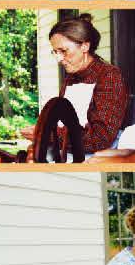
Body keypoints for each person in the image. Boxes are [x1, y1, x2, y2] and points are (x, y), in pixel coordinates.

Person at [30, 13, 129, 162]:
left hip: (92, 159)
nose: (59, 59)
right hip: (65, 154)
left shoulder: (109, 76)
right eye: (55, 52)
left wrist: (45, 134)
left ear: (85, 46)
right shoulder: (70, 78)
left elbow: (100, 139)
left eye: (63, 51)